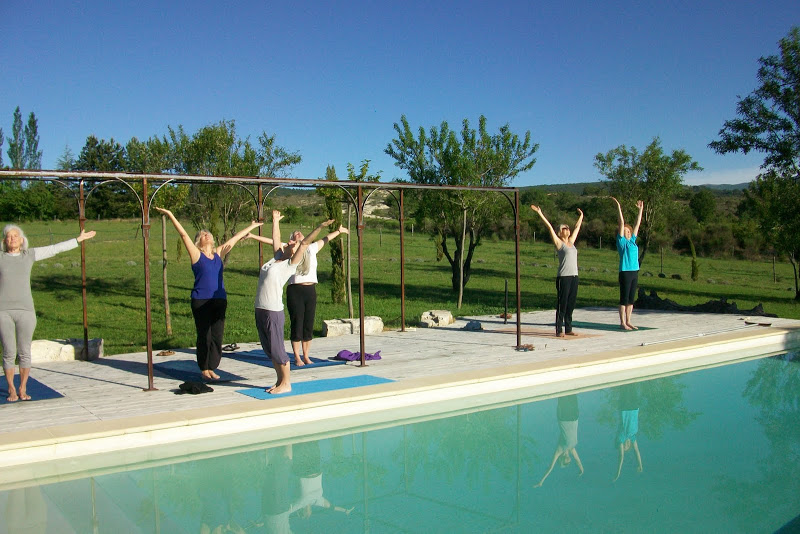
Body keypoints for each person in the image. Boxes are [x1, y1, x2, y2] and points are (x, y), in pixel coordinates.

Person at [155, 207, 262, 380]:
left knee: (217, 336)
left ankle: (212, 366)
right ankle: (204, 367)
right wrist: (171, 214)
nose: (207, 235)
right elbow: (183, 235)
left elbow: (234, 239)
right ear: (198, 241)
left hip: (219, 299)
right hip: (201, 300)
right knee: (204, 335)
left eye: (208, 233)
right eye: (203, 234)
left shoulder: (219, 253)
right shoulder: (196, 254)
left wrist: (252, 226)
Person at [1, 225, 96, 402]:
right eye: (8, 236)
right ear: (4, 241)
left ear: (22, 240)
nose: (12, 238)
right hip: (3, 312)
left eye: (15, 236)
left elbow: (54, 249)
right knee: (8, 352)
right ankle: (11, 389)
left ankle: (22, 387)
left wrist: (77, 240)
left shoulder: (28, 255)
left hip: (26, 311)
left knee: (24, 351)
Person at [255, 211, 333, 394]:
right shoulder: (276, 257)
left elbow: (305, 243)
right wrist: (275, 221)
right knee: (269, 349)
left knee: (277, 348)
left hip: (273, 310)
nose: (290, 242)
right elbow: (276, 237)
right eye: (289, 242)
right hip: (260, 309)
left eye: (293, 244)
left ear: (295, 252)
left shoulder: (289, 264)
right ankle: (279, 380)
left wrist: (321, 227)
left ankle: (287, 383)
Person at [249, 223, 348, 366]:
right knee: (297, 323)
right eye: (295, 234)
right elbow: (272, 241)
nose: (298, 233)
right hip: (295, 290)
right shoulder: (291, 248)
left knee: (308, 324)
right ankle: (297, 357)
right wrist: (252, 236)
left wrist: (338, 231)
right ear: (292, 240)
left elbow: (325, 239)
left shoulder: (312, 248)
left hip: (310, 290)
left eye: (299, 232)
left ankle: (306, 355)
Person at [530, 205, 583, 337]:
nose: (567, 229)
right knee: (562, 303)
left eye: (567, 228)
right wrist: (540, 213)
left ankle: (569, 328)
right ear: (560, 232)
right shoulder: (560, 243)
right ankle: (559, 329)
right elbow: (549, 227)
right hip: (563, 277)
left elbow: (577, 228)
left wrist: (581, 216)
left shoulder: (571, 242)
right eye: (564, 228)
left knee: (571, 303)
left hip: (574, 276)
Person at [533, 394, 584, 487]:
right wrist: (581, 469)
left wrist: (541, 481)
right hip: (574, 416)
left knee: (564, 394)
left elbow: (550, 467)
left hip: (564, 417)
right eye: (569, 463)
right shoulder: (572, 449)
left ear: (562, 460)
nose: (569, 461)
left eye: (566, 463)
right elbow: (577, 460)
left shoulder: (560, 449)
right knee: (573, 393)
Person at [612, 197, 643, 330]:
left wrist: (641, 209)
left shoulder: (633, 241)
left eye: (628, 231)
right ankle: (622, 322)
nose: (627, 232)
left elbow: (637, 224)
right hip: (624, 272)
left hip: (634, 271)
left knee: (631, 299)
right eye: (625, 232)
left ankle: (629, 320)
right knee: (624, 298)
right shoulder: (621, 242)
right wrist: (619, 207)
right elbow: (621, 222)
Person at [613, 383, 643, 481]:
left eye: (623, 447)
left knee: (625, 386)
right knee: (633, 385)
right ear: (629, 446)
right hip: (634, 408)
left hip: (625, 409)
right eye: (626, 447)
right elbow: (637, 452)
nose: (625, 446)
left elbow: (621, 457)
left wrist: (618, 473)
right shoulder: (633, 437)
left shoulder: (622, 437)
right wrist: (640, 465)